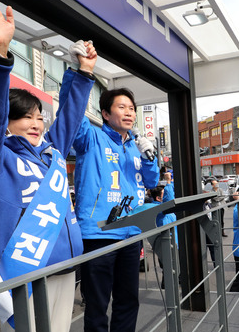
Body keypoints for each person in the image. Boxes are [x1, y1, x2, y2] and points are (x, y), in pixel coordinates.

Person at [0, 0, 96, 331]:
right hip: (23, 274)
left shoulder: (51, 152)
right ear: (6, 121)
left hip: (65, 266)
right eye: (25, 116)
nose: (36, 123)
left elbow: (68, 117)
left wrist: (83, 74)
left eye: (39, 116)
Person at [73, 86, 159, 330]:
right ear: (105, 114)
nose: (129, 113)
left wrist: (149, 158)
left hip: (131, 233)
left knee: (128, 300)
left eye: (132, 108)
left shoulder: (136, 146)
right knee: (97, 305)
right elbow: (73, 116)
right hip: (99, 234)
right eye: (121, 107)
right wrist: (82, 76)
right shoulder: (91, 138)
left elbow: (151, 182)